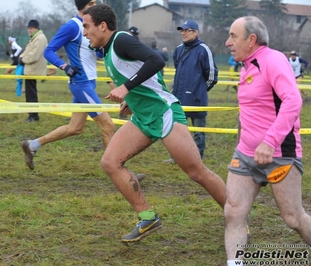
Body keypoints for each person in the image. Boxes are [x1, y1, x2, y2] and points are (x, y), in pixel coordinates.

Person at [82, 4, 226, 243]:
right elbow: (140, 73)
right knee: (110, 162)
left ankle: (237, 215)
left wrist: (126, 88)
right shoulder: (108, 50)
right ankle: (147, 217)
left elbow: (156, 60)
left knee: (196, 172)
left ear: (102, 26)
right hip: (143, 117)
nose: (85, 32)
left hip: (164, 112)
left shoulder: (120, 41)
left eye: (87, 26)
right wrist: (131, 98)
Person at [224, 16, 311, 266]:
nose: (228, 42)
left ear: (251, 39)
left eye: (233, 35)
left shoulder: (272, 60)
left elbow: (293, 101)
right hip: (245, 154)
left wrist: (269, 142)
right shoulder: (248, 65)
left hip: (279, 153)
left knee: (294, 218)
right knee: (233, 212)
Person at [21, 0, 115, 171]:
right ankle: (117, 170)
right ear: (83, 5)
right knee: (108, 125)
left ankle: (32, 145)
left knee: (75, 128)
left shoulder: (90, 27)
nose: (96, 4)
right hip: (81, 84)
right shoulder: (72, 26)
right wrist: (65, 66)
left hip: (89, 83)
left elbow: (95, 54)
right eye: (92, 1)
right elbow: (49, 50)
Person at [164, 20, 218, 163]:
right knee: (177, 131)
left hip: (197, 100)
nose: (184, 33)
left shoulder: (204, 49)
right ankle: (176, 157)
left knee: (199, 132)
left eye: (187, 30)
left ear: (196, 32)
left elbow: (212, 76)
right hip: (178, 99)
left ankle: (197, 158)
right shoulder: (178, 49)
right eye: (182, 30)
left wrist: (198, 91)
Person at [18, 19, 48, 122]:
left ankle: (33, 116)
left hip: (33, 69)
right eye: (28, 28)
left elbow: (34, 55)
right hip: (31, 69)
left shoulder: (39, 39)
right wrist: (21, 57)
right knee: (30, 93)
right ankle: (32, 114)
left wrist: (22, 60)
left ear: (36, 28)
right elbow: (27, 51)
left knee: (31, 94)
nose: (29, 30)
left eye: (31, 28)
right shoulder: (35, 38)